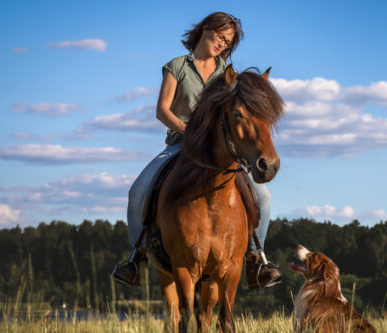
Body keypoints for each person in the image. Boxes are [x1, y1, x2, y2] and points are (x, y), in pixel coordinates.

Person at [111, 12, 282, 289]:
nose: (222, 44)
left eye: (228, 42)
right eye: (220, 36)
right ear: (205, 30)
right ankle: (136, 257)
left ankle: (257, 258)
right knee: (138, 190)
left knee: (262, 195)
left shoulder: (228, 75)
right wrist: (186, 129)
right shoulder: (177, 66)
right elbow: (162, 110)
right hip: (181, 145)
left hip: (218, 151)